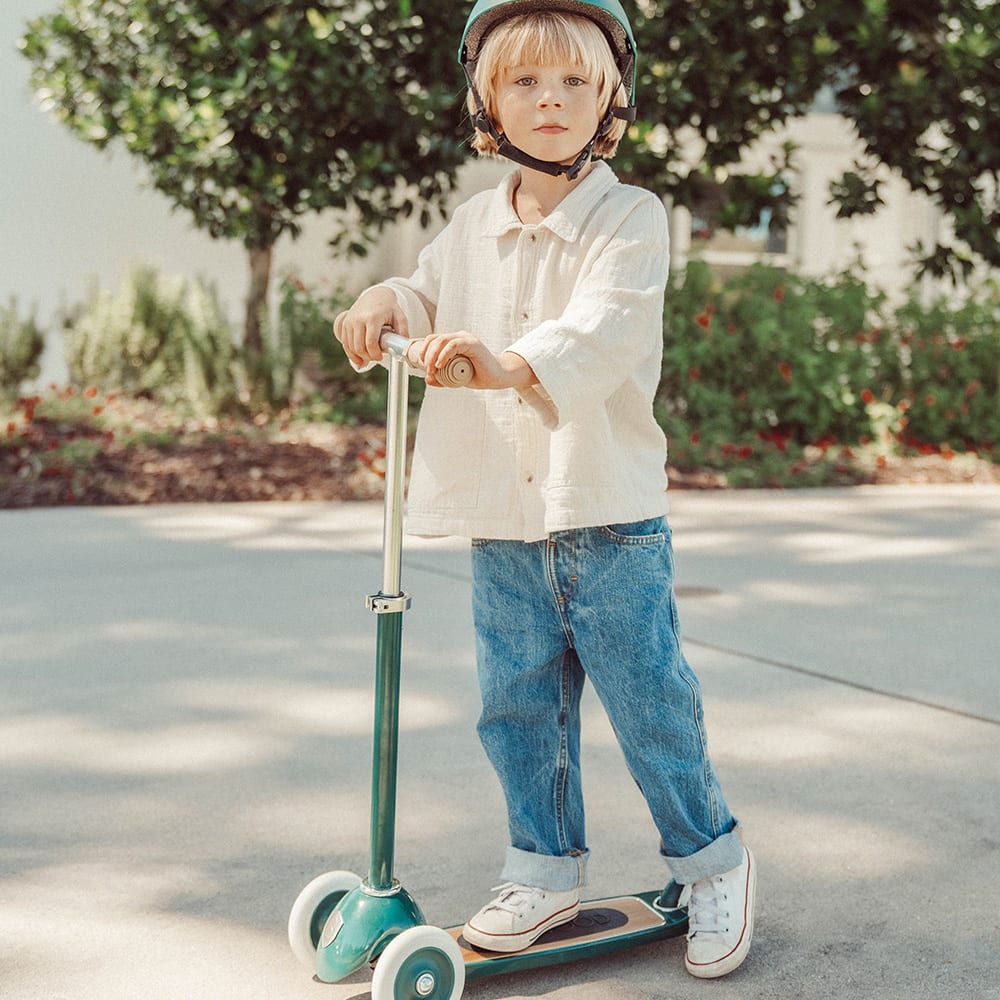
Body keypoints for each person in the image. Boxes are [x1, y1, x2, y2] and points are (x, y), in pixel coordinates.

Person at [334, 0, 756, 980]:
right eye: (526, 81)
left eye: (574, 81)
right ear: (488, 100)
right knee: (517, 705)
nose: (551, 101)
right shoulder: (473, 222)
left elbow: (603, 332)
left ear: (610, 96)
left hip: (605, 516)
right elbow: (426, 291)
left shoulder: (629, 216)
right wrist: (384, 300)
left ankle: (711, 864)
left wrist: (506, 360)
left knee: (650, 703)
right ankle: (543, 866)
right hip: (506, 515)